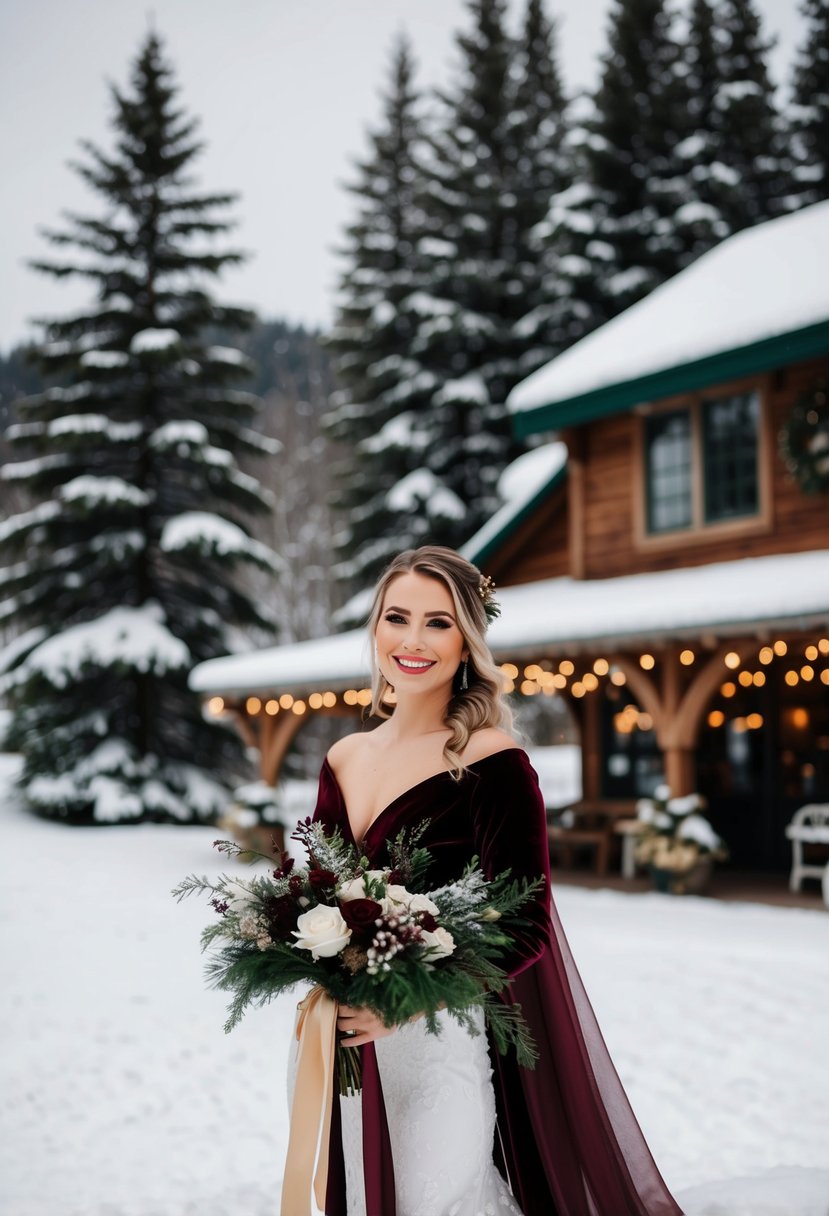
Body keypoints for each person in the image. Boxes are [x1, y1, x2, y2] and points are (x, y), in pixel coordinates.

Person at [304, 545, 684, 1216]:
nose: (412, 640)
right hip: (336, 1047)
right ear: (375, 627)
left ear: (466, 643)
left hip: (433, 1040)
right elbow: (316, 889)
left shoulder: (492, 763)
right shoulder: (343, 757)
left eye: (438, 622)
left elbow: (524, 921)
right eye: (397, 617)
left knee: (437, 1196)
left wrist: (410, 1000)